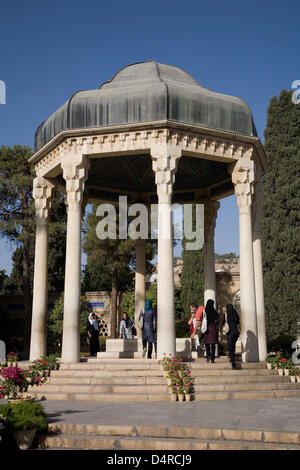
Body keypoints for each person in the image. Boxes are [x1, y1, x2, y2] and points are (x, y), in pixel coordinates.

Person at [202, 299, 219, 363]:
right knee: (213, 344)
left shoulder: (205, 311)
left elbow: (202, 319)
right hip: (213, 328)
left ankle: (208, 356)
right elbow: (218, 319)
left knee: (207, 343)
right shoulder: (214, 311)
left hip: (206, 328)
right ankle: (212, 358)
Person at [223, 304, 240, 369]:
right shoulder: (234, 313)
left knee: (231, 347)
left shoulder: (226, 314)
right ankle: (232, 358)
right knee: (233, 346)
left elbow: (223, 322)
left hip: (230, 332)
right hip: (235, 332)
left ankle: (233, 364)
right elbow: (238, 321)